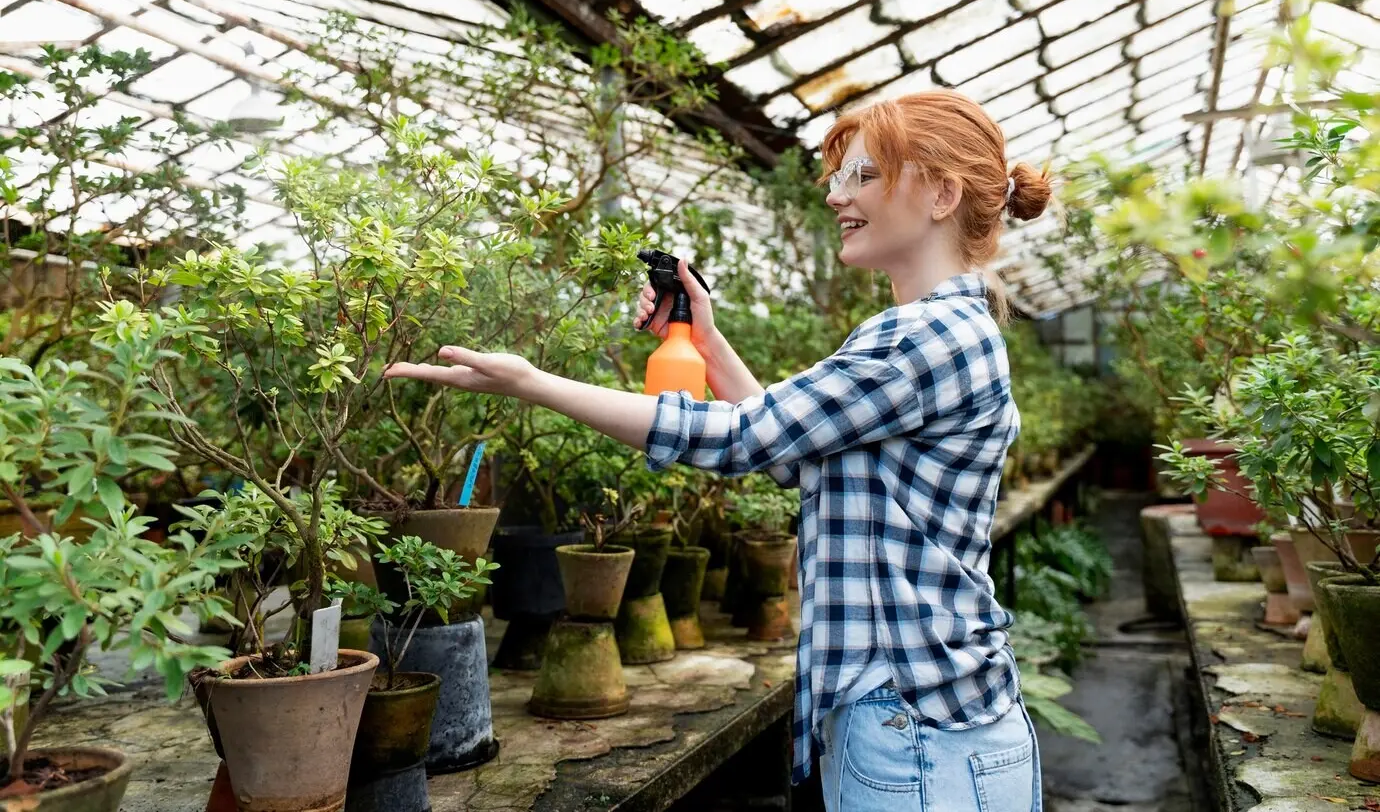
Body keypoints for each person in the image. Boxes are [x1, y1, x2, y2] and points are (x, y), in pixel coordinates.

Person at [385, 89, 1052, 812]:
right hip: (931, 731)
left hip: (921, 739)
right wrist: (704, 339)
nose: (837, 196)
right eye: (839, 177)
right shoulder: (937, 332)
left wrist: (534, 382)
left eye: (862, 176)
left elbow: (741, 438)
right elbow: (788, 450)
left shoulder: (923, 339)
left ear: (942, 193)